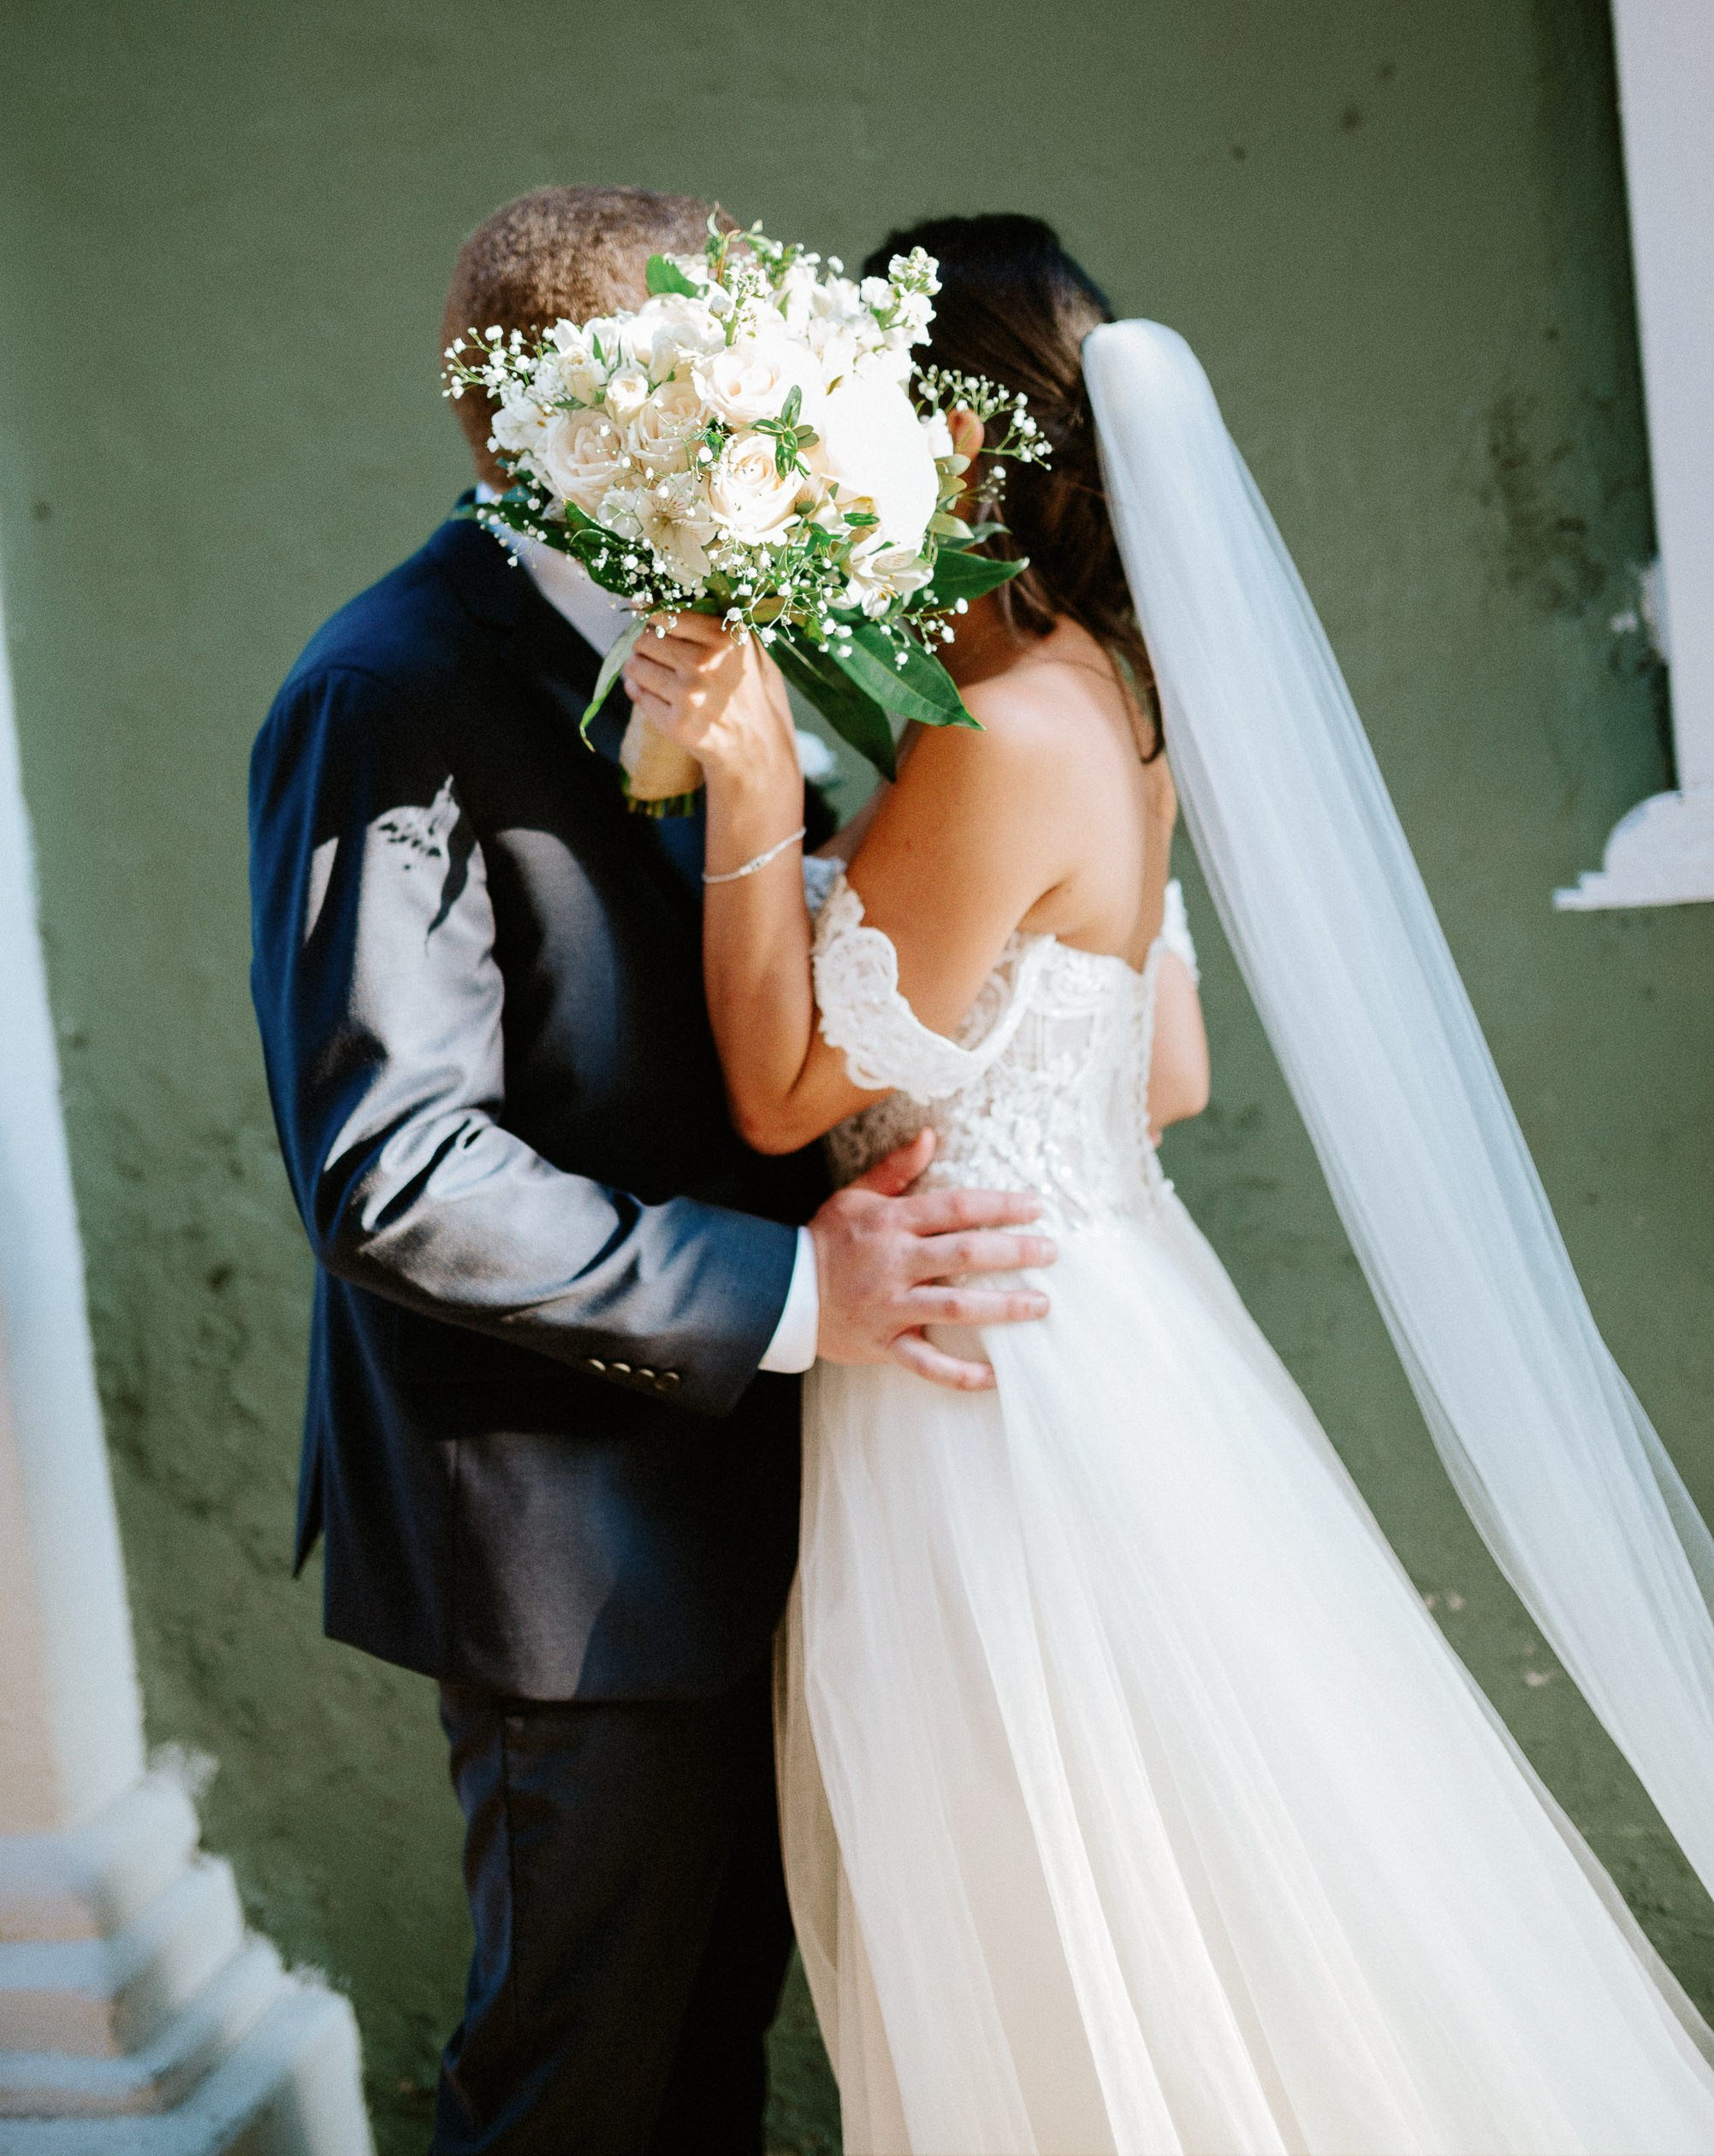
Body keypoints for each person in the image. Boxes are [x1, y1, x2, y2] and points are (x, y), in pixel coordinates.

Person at [624, 212, 1714, 2154]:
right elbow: (1172, 1074)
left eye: (848, 425)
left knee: (1069, 1910)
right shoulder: (1119, 703)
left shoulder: (998, 735)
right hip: (1126, 1328)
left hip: (1001, 1384)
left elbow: (790, 1093)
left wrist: (761, 798)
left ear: (950, 454)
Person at [246, 185, 1054, 2156]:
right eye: (727, 385)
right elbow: (392, 1167)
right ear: (591, 421)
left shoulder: (725, 640)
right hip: (565, 1547)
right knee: (581, 2091)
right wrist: (802, 1295)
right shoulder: (390, 689)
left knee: (704, 2072)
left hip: (761, 1501)